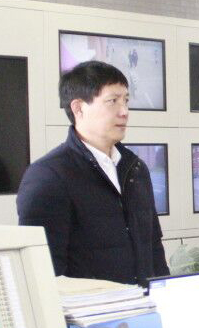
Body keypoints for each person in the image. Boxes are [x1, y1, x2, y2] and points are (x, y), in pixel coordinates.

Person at [17, 61, 168, 285]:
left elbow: (153, 246)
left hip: (144, 303)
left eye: (126, 100)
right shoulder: (48, 176)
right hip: (90, 307)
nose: (124, 112)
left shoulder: (135, 168)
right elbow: (44, 272)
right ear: (78, 108)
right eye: (112, 101)